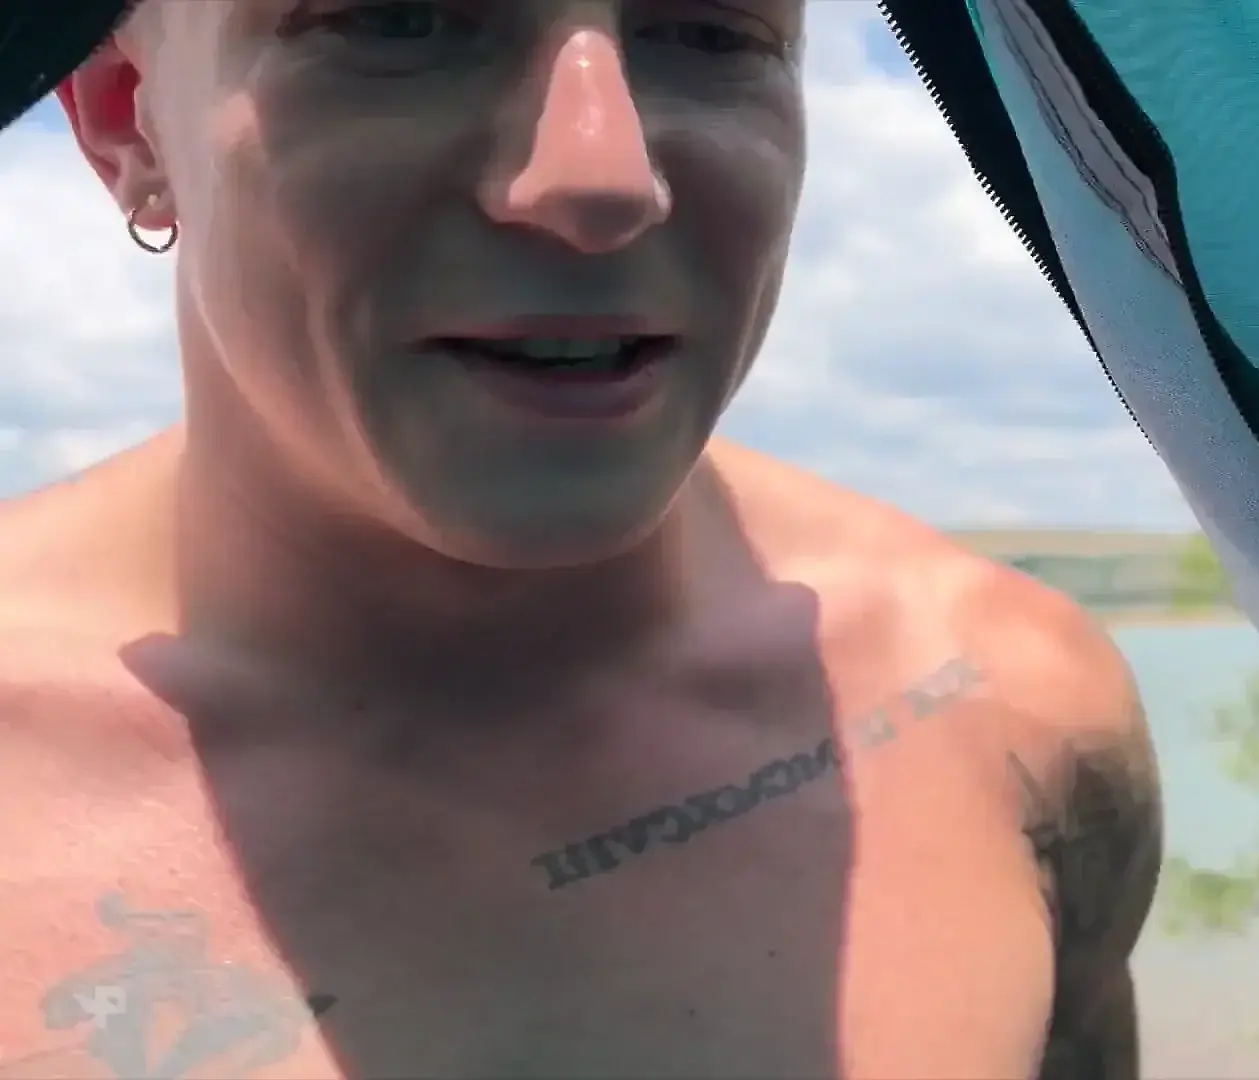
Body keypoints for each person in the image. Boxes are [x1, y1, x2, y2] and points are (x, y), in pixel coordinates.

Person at [0, 1, 1162, 1078]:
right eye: (399, 21)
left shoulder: (1005, 706)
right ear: (126, 119)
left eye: (708, 32)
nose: (599, 176)